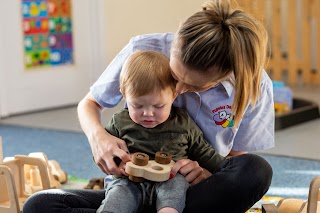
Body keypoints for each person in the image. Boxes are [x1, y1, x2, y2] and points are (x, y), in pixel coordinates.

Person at [23, 0, 274, 212]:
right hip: (128, 187)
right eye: (174, 77)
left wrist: (207, 174)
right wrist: (99, 137)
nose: (177, 91)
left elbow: (231, 165)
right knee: (40, 205)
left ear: (225, 75)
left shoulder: (255, 86)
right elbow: (90, 104)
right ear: (175, 45)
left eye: (196, 87)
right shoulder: (141, 51)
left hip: (192, 194)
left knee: (255, 170)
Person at [97, 50, 225, 213]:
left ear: (173, 96)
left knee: (176, 186)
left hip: (169, 179)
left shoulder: (182, 123)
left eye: (158, 106)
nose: (148, 113)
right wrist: (116, 163)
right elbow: (103, 152)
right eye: (137, 106)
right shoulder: (119, 122)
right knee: (117, 197)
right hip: (129, 181)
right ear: (124, 95)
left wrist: (227, 169)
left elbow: (203, 151)